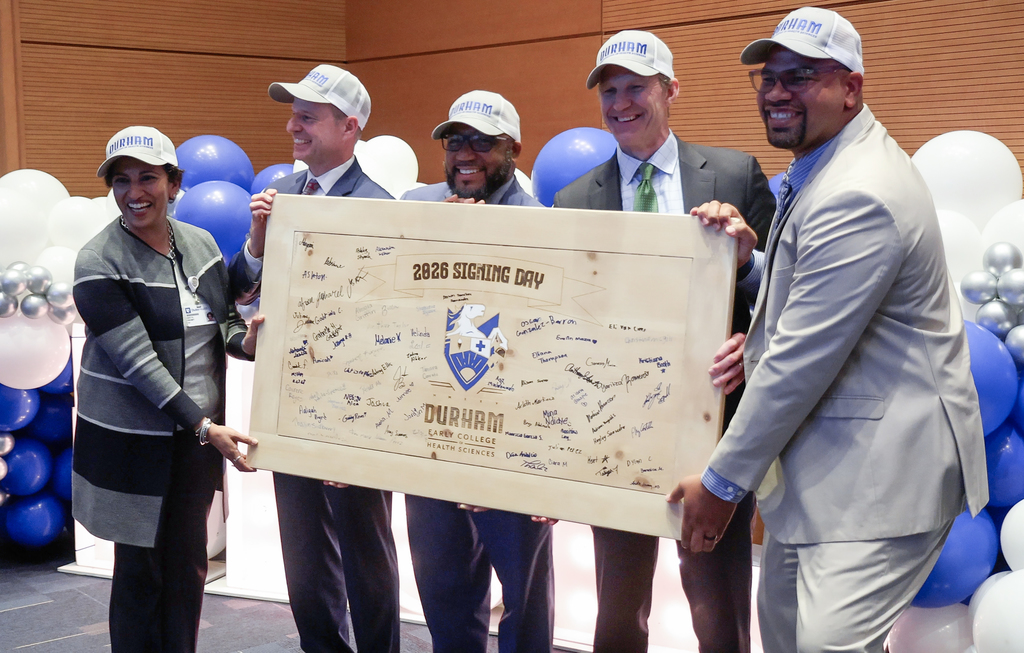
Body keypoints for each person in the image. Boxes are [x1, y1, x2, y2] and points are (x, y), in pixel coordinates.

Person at [671, 8, 988, 653]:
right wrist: (752, 265)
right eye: (768, 77)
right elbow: (818, 293)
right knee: (784, 634)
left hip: (883, 474)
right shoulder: (828, 163)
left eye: (800, 76)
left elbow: (799, 360)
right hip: (821, 466)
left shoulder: (858, 191)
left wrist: (720, 485)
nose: (777, 92)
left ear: (851, 88)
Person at [553, 30, 776, 653]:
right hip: (614, 422)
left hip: (713, 422)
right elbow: (567, 318)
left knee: (719, 606)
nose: (621, 103)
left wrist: (749, 335)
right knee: (618, 609)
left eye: (636, 87)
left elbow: (786, 295)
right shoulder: (576, 199)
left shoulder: (734, 174)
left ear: (671, 89)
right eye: (610, 91)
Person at [227, 64, 400, 653]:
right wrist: (257, 241)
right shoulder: (283, 196)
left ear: (349, 127)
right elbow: (240, 291)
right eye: (293, 115)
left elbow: (389, 317)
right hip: (288, 397)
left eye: (307, 116)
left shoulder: (379, 206)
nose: (292, 126)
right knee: (303, 548)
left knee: (363, 548)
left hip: (355, 404)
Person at [72, 125, 261, 652]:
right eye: (122, 180)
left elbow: (222, 321)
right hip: (131, 441)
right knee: (140, 572)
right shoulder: (97, 260)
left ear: (174, 184)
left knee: (187, 567)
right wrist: (203, 425)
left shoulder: (198, 243)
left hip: (194, 441)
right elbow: (138, 363)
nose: (134, 192)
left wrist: (246, 342)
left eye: (148, 178)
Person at [401, 90, 555, 653]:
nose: (465, 153)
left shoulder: (548, 225)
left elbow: (557, 343)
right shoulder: (414, 208)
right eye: (454, 141)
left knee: (524, 595)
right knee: (443, 586)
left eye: (482, 142)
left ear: (514, 149)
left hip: (512, 438)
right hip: (432, 430)